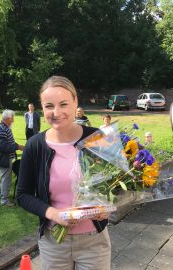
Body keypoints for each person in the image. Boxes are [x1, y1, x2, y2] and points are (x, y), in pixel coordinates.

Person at [17, 76, 111, 270]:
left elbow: (114, 185)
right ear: (42, 107)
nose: (56, 112)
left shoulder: (97, 138)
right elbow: (22, 195)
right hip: (54, 243)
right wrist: (54, 214)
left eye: (63, 104)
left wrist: (108, 206)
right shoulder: (35, 145)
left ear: (75, 102)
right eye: (49, 105)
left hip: (94, 242)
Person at [0, 110, 24, 206]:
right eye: (12, 118)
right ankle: (4, 200)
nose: (13, 121)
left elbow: (8, 143)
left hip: (5, 157)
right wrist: (17, 147)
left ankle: (1, 196)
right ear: (8, 118)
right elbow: (3, 146)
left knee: (4, 177)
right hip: (4, 157)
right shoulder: (2, 128)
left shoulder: (3, 127)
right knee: (6, 179)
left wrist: (18, 146)